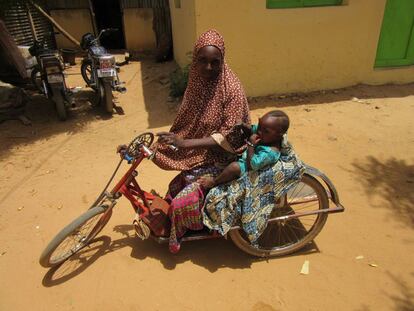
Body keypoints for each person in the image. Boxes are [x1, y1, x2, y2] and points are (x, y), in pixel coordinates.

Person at [151, 29, 250, 253]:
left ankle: (188, 229)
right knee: (174, 181)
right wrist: (170, 142)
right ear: (195, 60)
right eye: (202, 61)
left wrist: (184, 144)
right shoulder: (197, 81)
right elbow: (188, 119)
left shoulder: (231, 89)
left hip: (227, 156)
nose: (208, 68)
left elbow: (227, 135)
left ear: (223, 61)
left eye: (215, 62)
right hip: (205, 150)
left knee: (181, 199)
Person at [198, 110, 289, 189]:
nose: (259, 131)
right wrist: (243, 125)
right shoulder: (265, 134)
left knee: (234, 167)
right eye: (259, 126)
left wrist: (251, 145)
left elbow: (253, 165)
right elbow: (253, 129)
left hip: (251, 169)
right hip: (247, 157)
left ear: (279, 135)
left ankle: (214, 182)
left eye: (265, 131)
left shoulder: (270, 152)